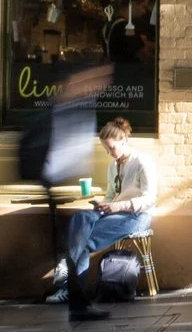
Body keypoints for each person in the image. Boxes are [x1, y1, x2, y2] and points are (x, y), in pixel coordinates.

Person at [23, 58, 112, 300]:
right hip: (52, 178)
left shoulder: (79, 108)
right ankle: (67, 275)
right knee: (75, 230)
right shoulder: (60, 110)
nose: (98, 85)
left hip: (62, 181)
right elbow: (44, 148)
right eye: (94, 79)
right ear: (73, 82)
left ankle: (69, 281)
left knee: (78, 230)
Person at [64, 118, 157, 320]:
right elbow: (111, 194)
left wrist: (119, 206)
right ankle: (71, 288)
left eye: (111, 148)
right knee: (81, 219)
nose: (109, 153)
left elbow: (149, 199)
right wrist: (104, 204)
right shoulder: (113, 167)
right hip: (115, 213)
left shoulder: (141, 162)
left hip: (136, 215)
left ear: (123, 140)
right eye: (106, 149)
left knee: (84, 242)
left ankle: (68, 286)